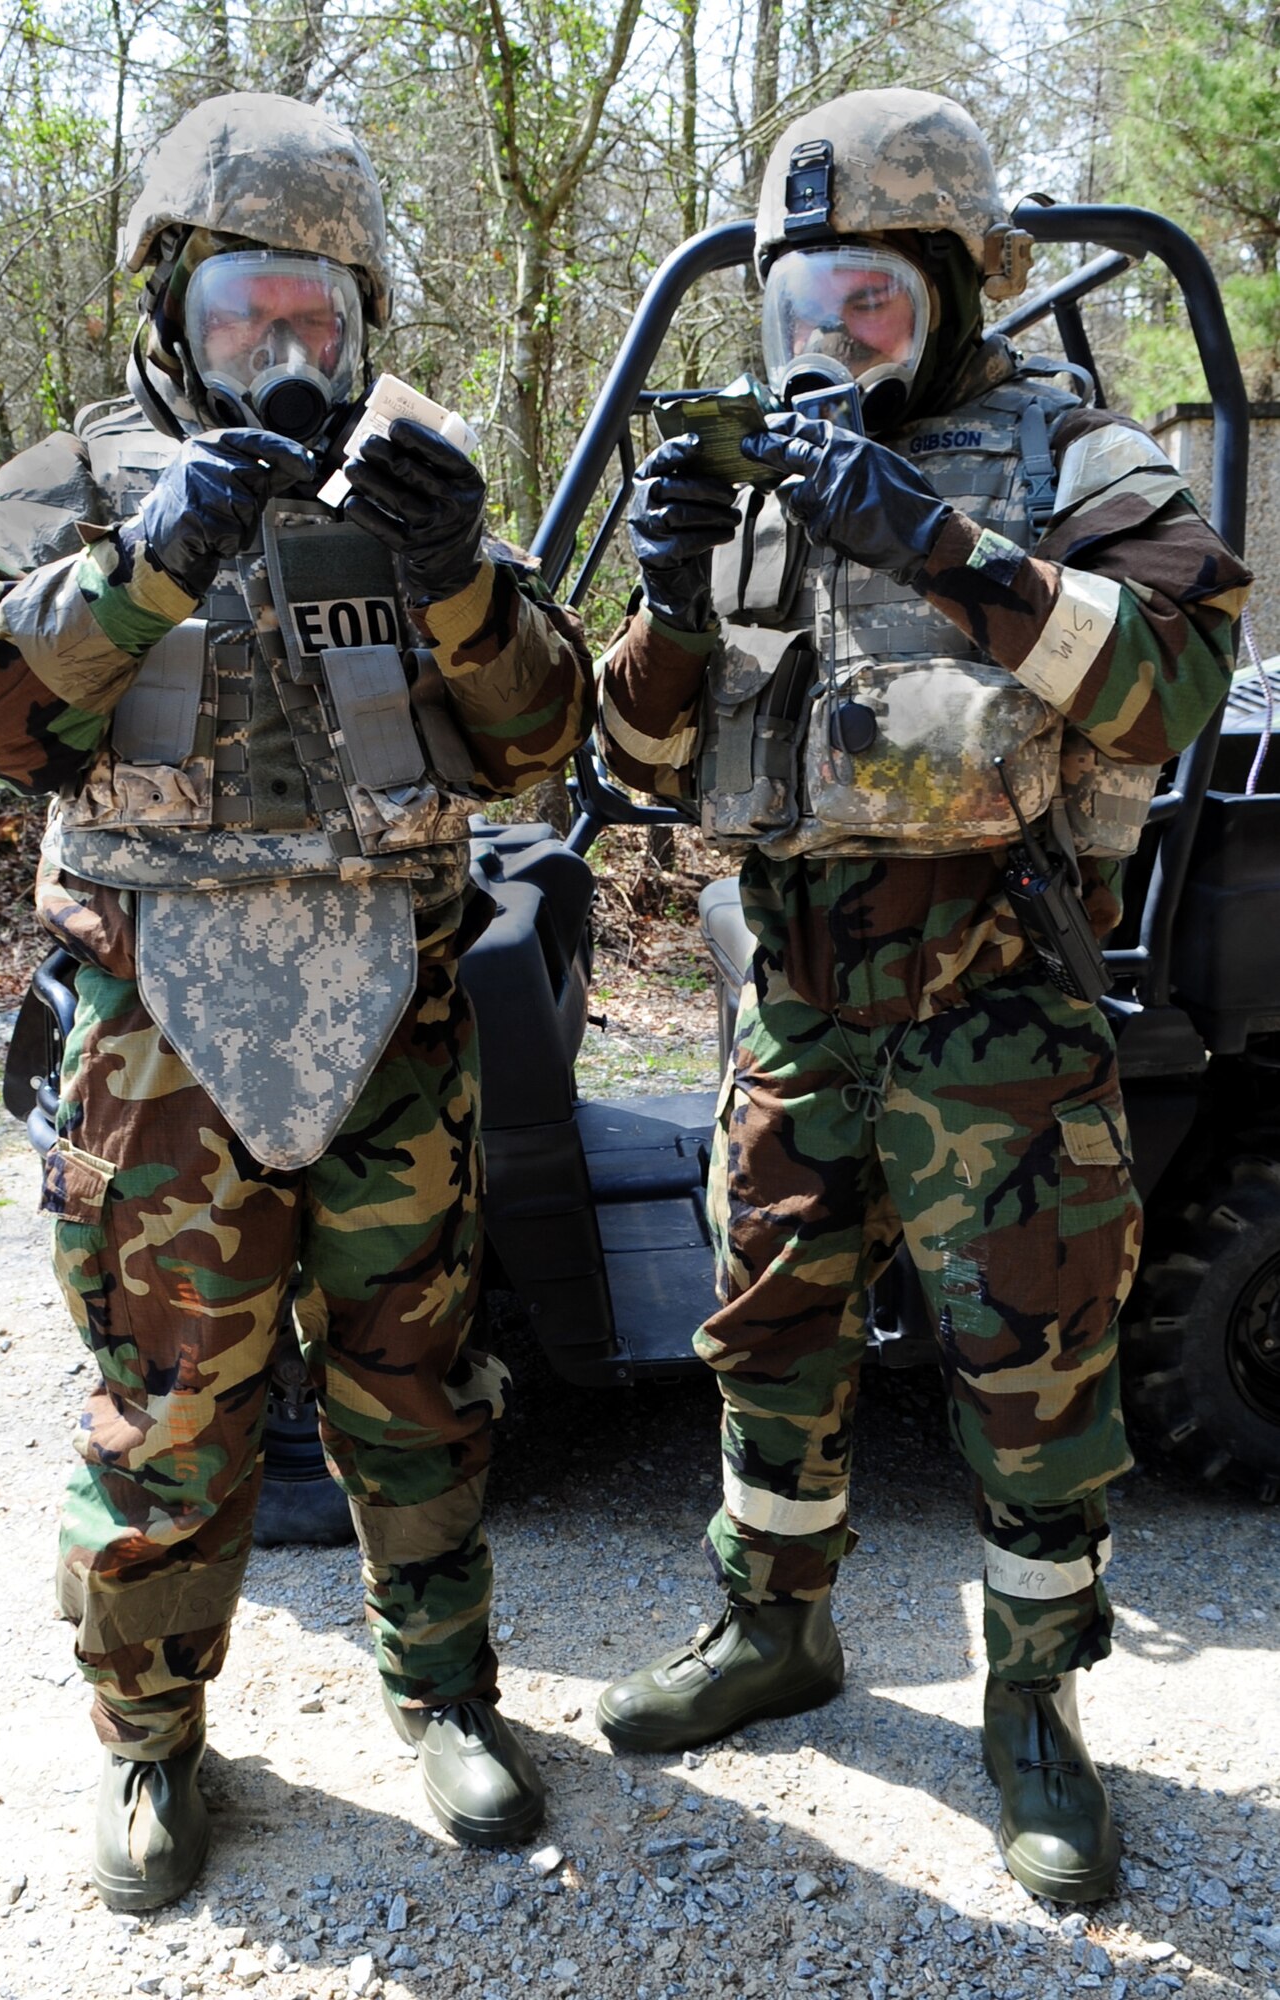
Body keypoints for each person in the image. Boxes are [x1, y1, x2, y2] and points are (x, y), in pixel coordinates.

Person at [0, 92, 593, 1908]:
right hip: (159, 1044)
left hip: (390, 1023)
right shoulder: (85, 473)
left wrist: (457, 583)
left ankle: (443, 1697)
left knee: (414, 1383)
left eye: (316, 317)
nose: (283, 352)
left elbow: (535, 744)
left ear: (362, 318)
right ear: (170, 309)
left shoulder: (418, 481)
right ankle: (146, 1745)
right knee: (172, 1407)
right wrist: (148, 555)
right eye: (242, 315)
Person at [593, 87, 1250, 1902]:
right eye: (803, 298)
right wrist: (659, 601)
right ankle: (771, 1628)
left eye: (871, 294)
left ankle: (1032, 1706)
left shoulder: (1073, 458)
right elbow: (644, 757)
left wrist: (944, 547)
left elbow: (1174, 682)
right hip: (789, 990)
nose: (833, 335)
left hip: (997, 998)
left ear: (958, 288)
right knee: (767, 1334)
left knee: (1034, 1373)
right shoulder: (748, 477)